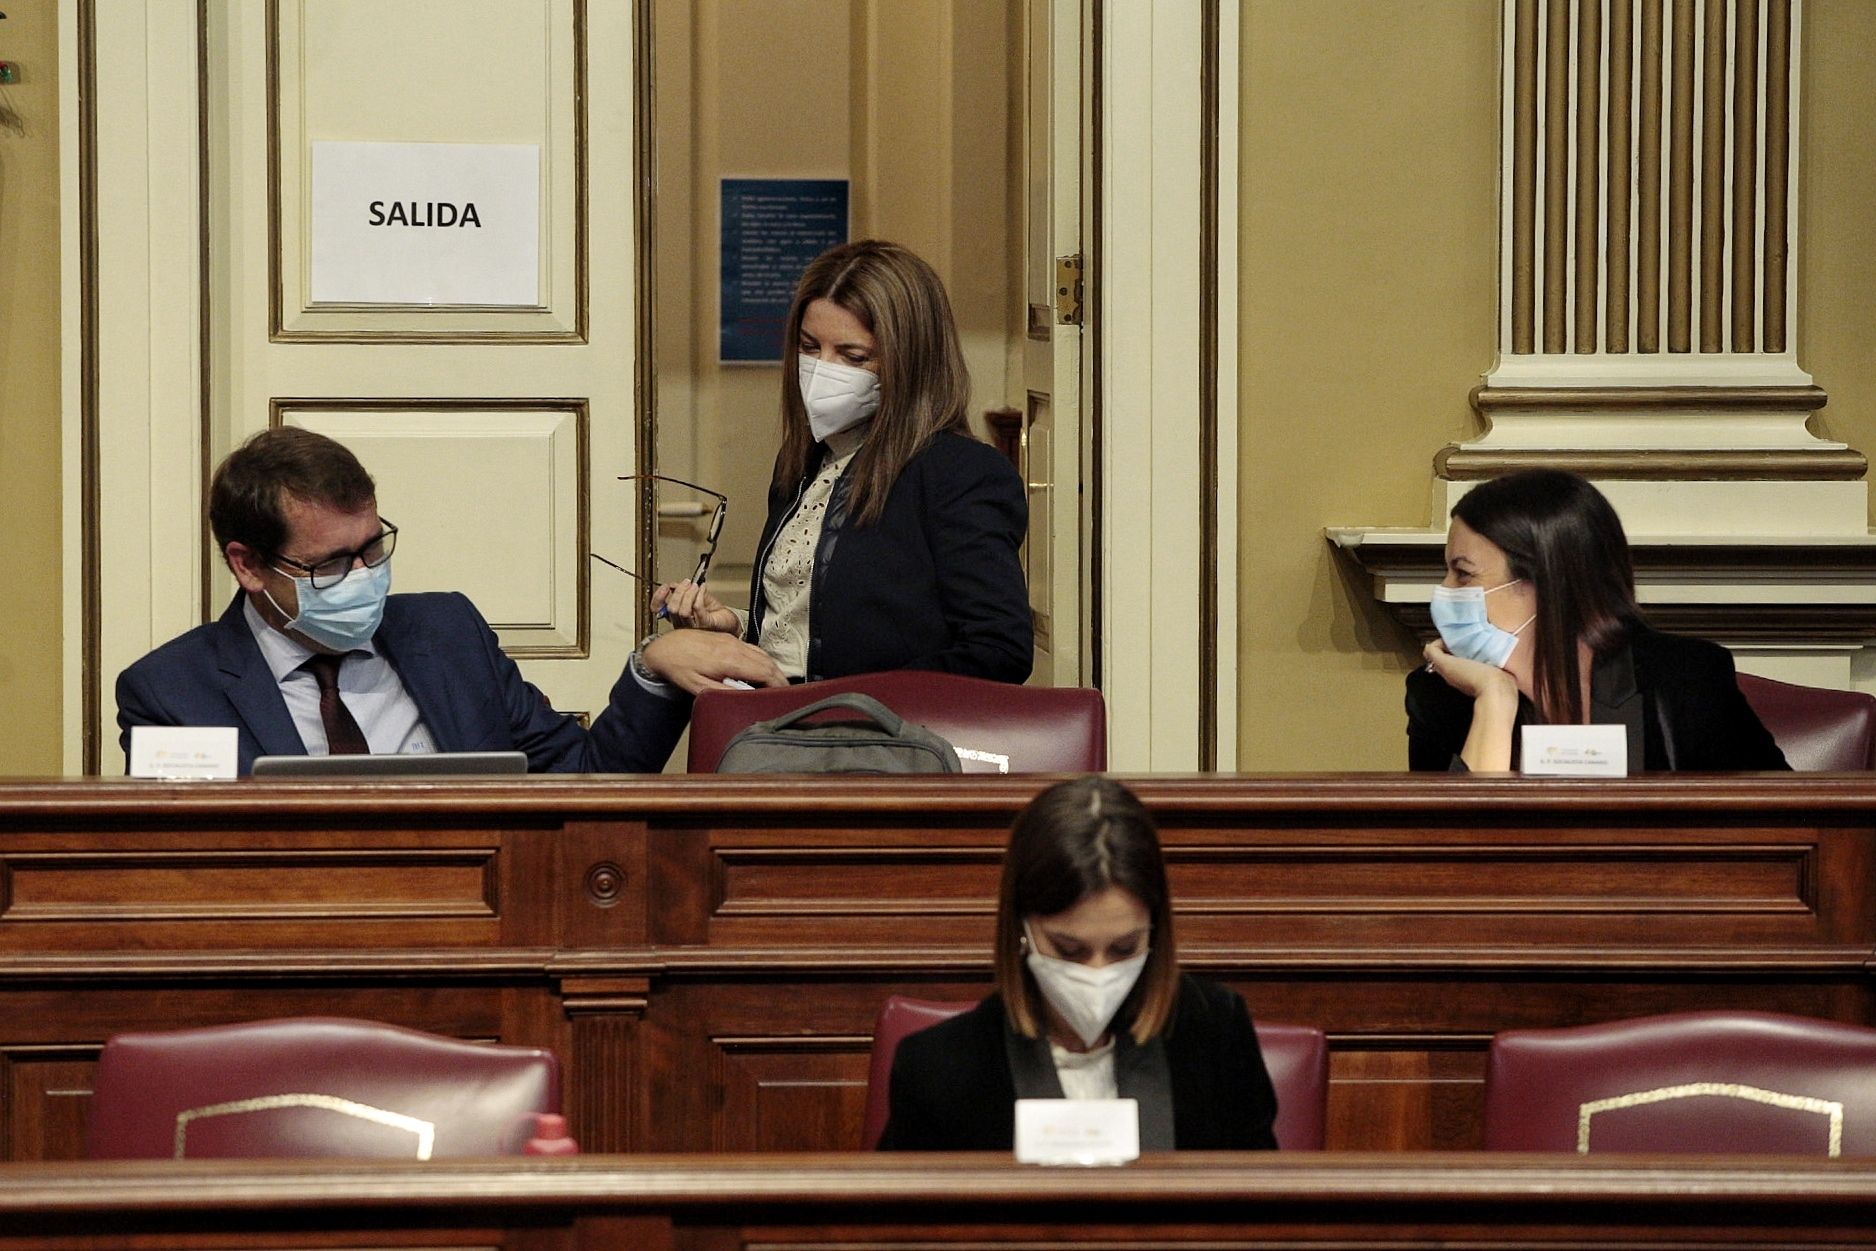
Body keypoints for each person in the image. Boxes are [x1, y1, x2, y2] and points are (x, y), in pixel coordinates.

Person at [117, 426, 785, 775]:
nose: (363, 576)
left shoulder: (448, 633)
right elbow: (186, 874)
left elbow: (586, 777)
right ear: (249, 566)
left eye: (373, 548)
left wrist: (653, 667)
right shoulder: (172, 692)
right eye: (329, 566)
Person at [653, 239, 1032, 684]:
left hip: (876, 740)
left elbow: (999, 650)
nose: (822, 370)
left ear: (909, 362)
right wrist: (736, 626)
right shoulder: (806, 460)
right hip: (776, 723)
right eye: (809, 348)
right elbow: (813, 629)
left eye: (852, 357)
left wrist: (851, 701)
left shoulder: (960, 473)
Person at [876, 776, 1279, 1151]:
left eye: (1123, 949)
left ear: (1155, 929)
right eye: (1069, 951)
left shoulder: (1216, 1032)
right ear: (1021, 927)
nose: (1097, 973)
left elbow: (1262, 1211)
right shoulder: (939, 1068)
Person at [1409, 469, 1790, 772]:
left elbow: (1787, 827)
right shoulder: (1441, 697)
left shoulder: (1685, 677)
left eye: (1463, 573)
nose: (1444, 590)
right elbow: (1447, 856)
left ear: (1546, 584)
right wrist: (1494, 699)